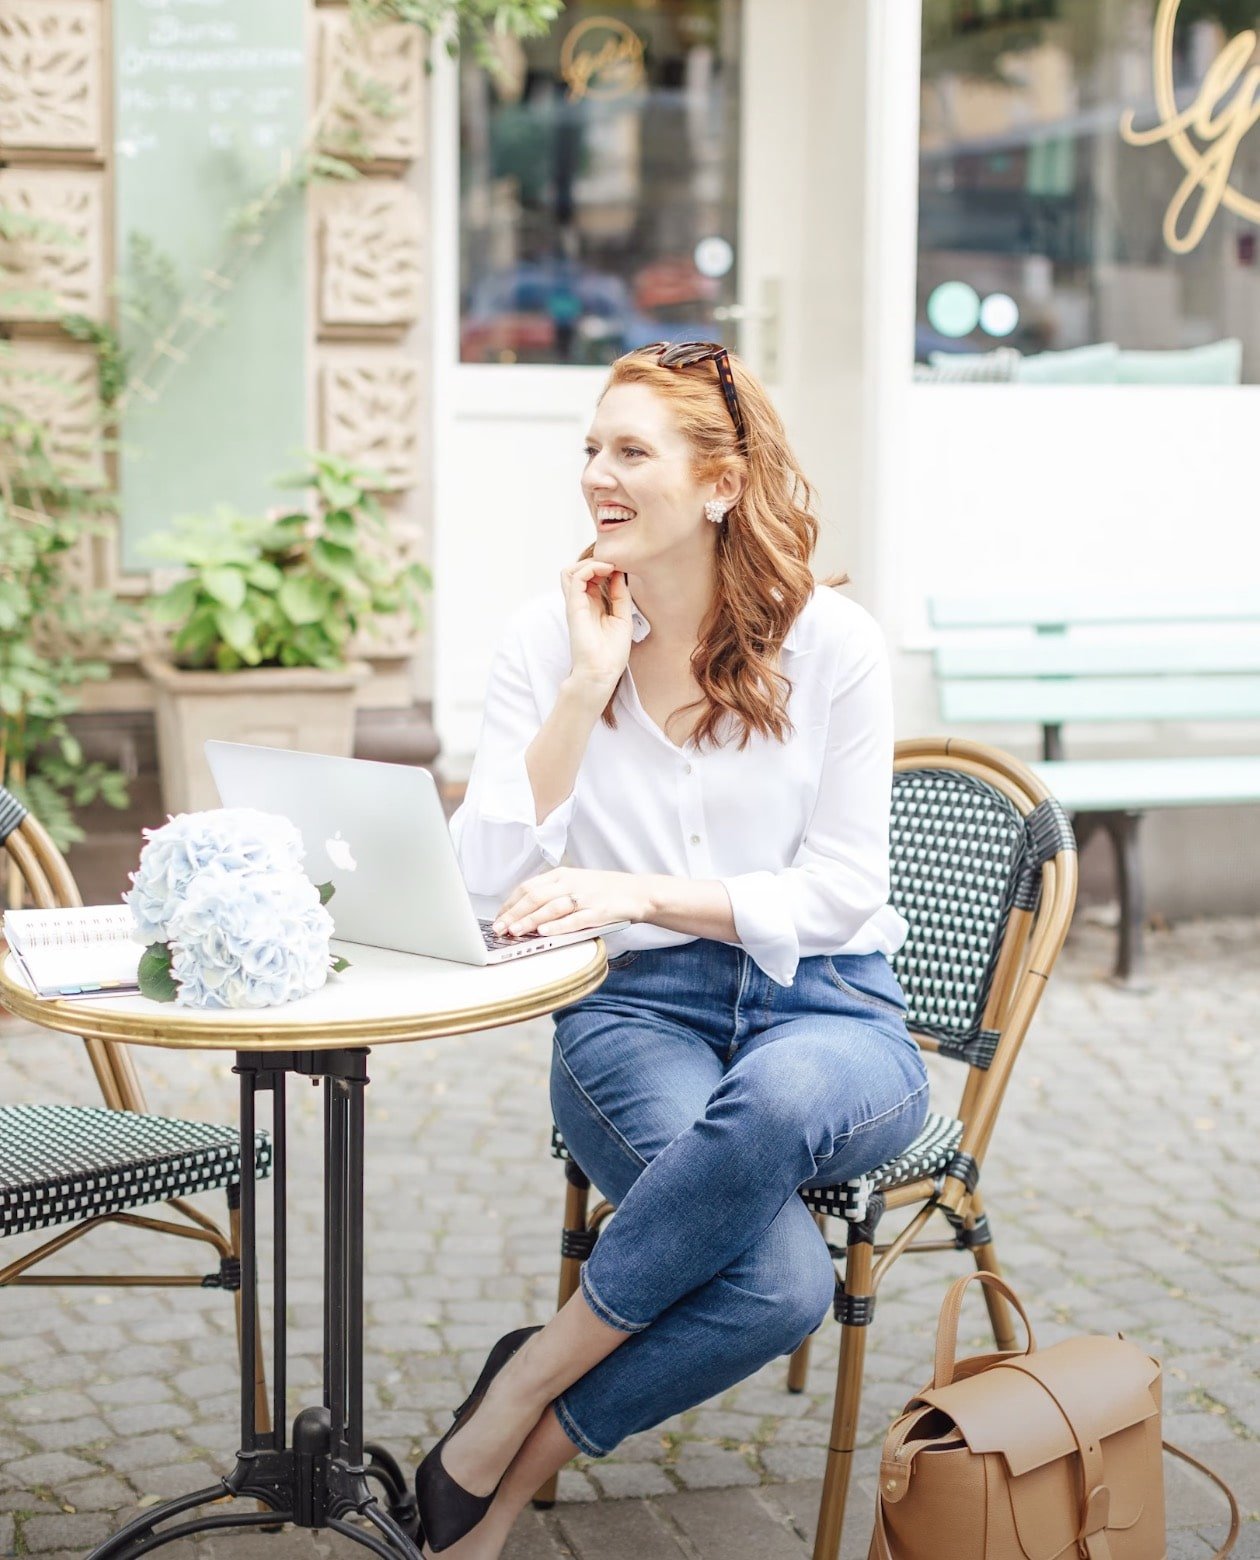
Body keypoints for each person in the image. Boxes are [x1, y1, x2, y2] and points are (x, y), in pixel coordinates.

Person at [414, 342, 929, 1558]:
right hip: (636, 1012)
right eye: (591, 448)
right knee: (780, 1286)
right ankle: (512, 1466)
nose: (597, 473)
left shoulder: (835, 646)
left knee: (783, 1091)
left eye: (631, 450)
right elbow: (482, 881)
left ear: (720, 482)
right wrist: (585, 689)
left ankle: (518, 1410)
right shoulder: (548, 642)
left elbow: (847, 888)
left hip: (837, 1012)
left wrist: (634, 885)